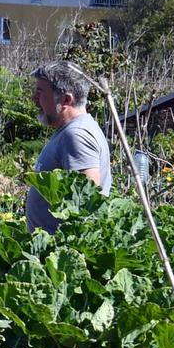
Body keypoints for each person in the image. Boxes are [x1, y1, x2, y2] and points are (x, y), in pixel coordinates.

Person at [26, 59, 112, 233]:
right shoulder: (69, 130)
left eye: (41, 92)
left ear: (66, 99)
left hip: (59, 254)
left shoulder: (77, 136)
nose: (34, 98)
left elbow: (86, 204)